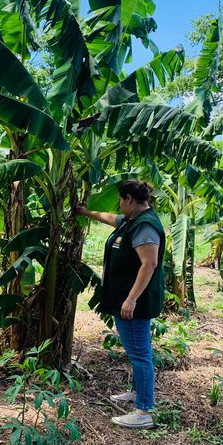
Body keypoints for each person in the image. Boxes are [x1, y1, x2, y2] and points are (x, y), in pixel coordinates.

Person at [77, 180, 165, 429]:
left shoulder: (145, 226)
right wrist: (86, 213)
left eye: (120, 200)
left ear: (128, 199)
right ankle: (138, 393)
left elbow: (149, 264)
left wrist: (131, 299)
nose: (118, 205)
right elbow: (111, 218)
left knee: (140, 355)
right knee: (138, 351)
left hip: (135, 302)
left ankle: (144, 411)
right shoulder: (133, 219)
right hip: (127, 299)